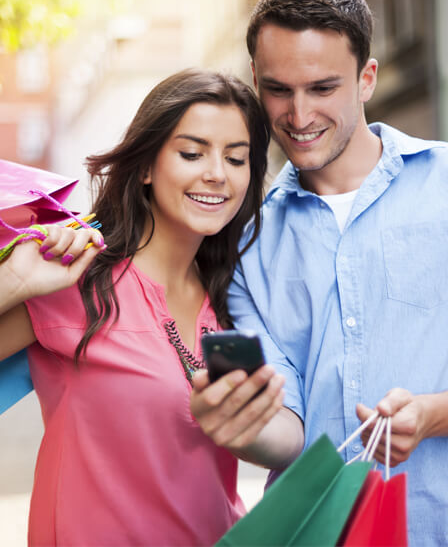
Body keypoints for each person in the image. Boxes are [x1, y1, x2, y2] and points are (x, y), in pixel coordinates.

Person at [190, 0, 448, 546]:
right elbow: (289, 429)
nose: (298, 115)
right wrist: (243, 428)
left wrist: (434, 414)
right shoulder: (245, 246)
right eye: (277, 89)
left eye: (322, 89)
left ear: (367, 78)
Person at [0, 68, 286, 547]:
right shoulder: (76, 278)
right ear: (147, 166)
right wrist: (12, 281)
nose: (217, 172)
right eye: (192, 153)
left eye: (237, 158)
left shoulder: (238, 300)